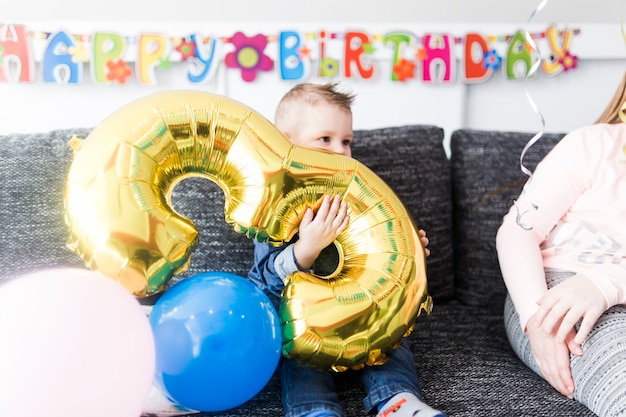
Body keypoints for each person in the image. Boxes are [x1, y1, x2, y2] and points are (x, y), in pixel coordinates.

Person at [248, 82, 444, 417]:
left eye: (346, 141)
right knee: (294, 346)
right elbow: (261, 284)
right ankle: (314, 409)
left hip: (360, 312)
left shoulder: (363, 198)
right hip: (307, 320)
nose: (340, 151)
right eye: (325, 139)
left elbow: (386, 257)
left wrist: (409, 256)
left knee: (393, 337)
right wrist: (303, 251)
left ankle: (396, 400)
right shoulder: (274, 208)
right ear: (286, 142)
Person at [496, 71, 626, 417]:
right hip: (557, 283)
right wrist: (537, 319)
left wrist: (608, 282)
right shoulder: (592, 145)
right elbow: (517, 232)